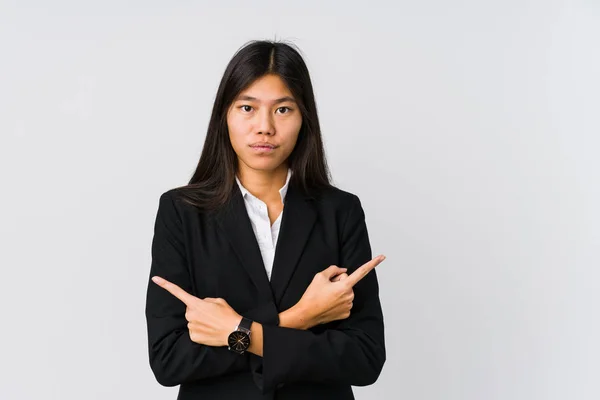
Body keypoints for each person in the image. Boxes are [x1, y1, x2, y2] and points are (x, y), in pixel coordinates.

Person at [145, 39, 386, 400]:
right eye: (247, 108)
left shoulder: (341, 211)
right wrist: (302, 317)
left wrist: (237, 331)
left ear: (305, 118)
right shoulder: (181, 212)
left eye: (283, 110)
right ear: (224, 115)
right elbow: (169, 360)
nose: (264, 127)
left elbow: (365, 359)